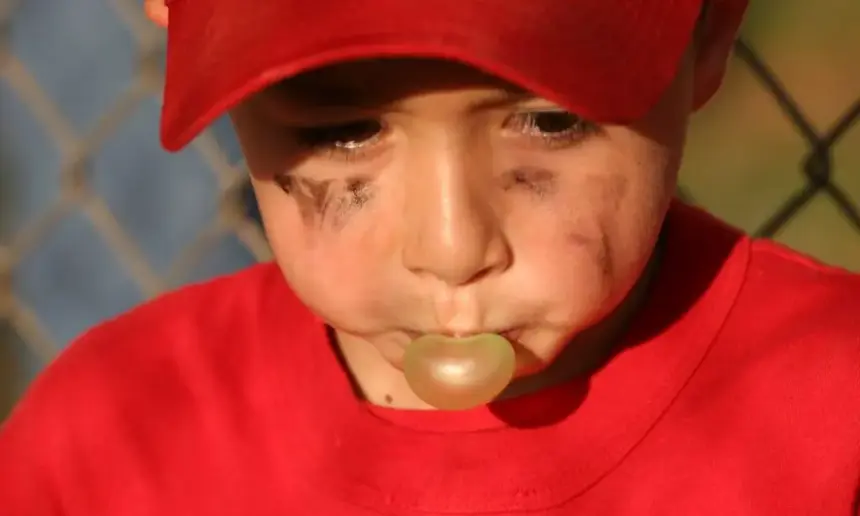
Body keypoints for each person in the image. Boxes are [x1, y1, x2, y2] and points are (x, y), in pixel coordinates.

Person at [2, 0, 859, 513]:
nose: (451, 250)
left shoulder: (833, 420)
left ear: (707, 30)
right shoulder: (111, 444)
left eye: (551, 121)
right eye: (343, 131)